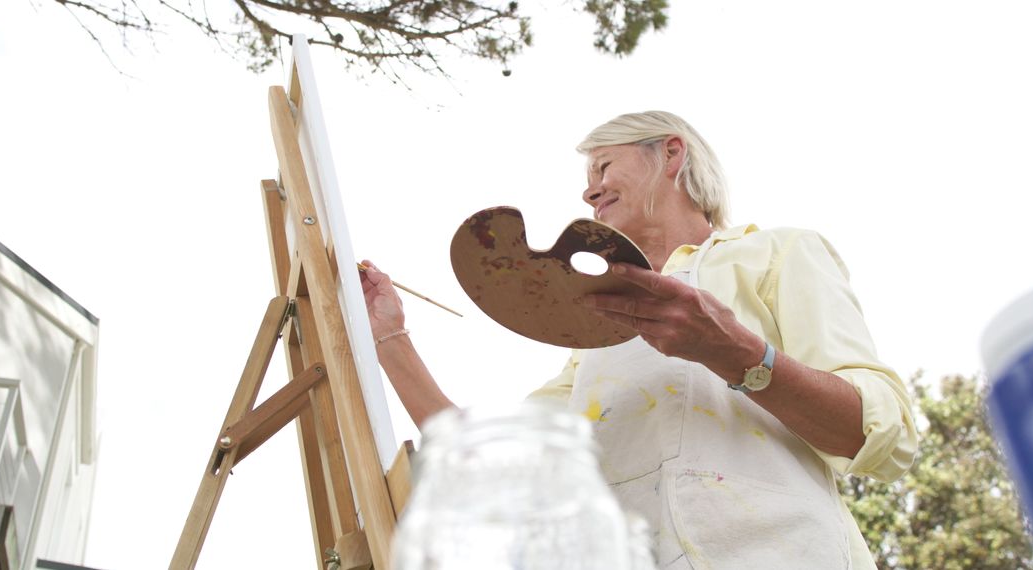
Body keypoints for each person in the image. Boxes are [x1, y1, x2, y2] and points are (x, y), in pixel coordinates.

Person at [360, 111, 917, 569]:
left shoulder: (775, 254)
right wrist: (389, 337)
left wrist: (735, 353)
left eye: (604, 164)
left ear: (671, 154)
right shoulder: (598, 334)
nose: (588, 189)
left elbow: (880, 433)